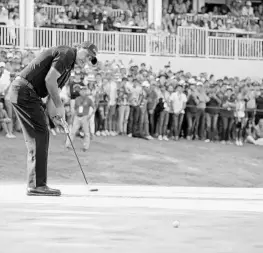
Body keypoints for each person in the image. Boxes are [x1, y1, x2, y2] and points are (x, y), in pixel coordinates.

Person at [9, 42, 98, 196]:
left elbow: (52, 96)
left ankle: (36, 184)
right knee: (40, 134)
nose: (88, 59)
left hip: (24, 93)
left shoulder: (68, 70)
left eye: (91, 59)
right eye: (87, 54)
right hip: (25, 91)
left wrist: (57, 117)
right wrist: (60, 105)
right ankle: (37, 185)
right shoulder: (68, 53)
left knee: (39, 135)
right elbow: (49, 80)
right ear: (79, 48)